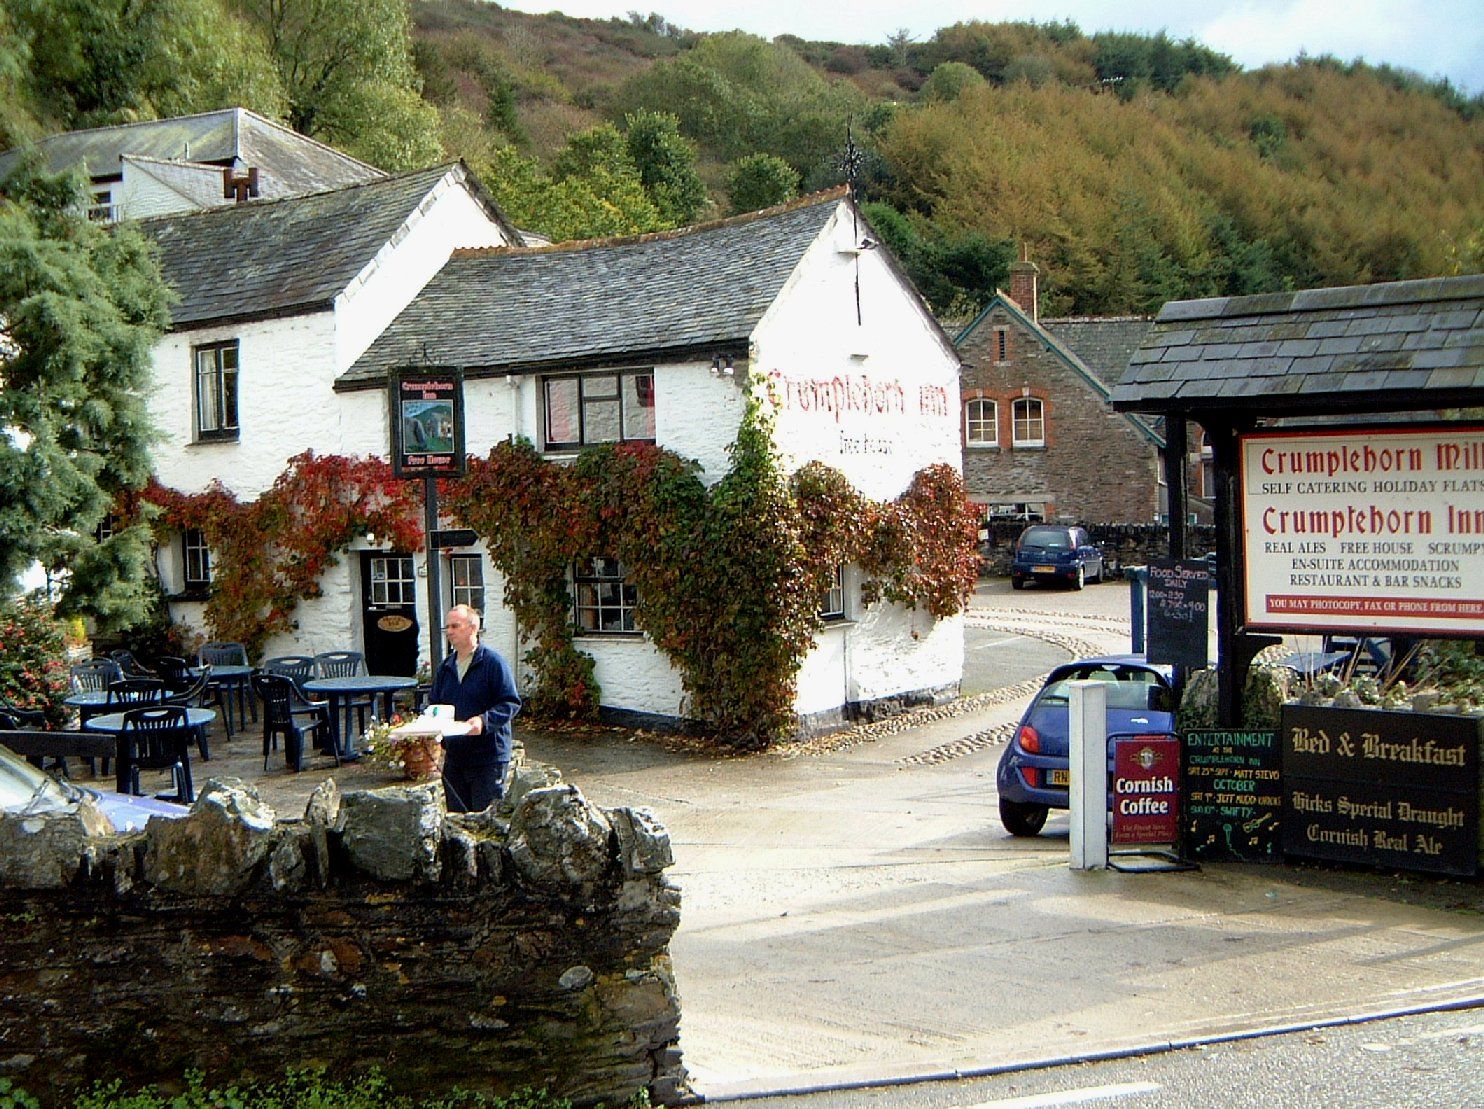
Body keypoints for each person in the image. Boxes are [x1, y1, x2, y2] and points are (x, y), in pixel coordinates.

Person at [428, 604, 521, 812]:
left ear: (473, 628)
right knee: (456, 824)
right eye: (447, 627)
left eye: (455, 626)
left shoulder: (493, 663)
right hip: (456, 758)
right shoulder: (445, 668)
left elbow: (510, 702)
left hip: (488, 757)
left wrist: (484, 720)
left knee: (485, 822)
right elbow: (434, 704)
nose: (449, 632)